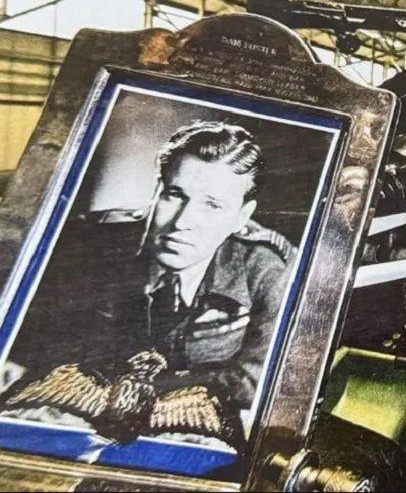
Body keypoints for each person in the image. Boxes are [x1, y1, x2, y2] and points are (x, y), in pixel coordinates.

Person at [7, 121, 296, 412]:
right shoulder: (87, 246)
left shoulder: (267, 269)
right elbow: (30, 351)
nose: (182, 222)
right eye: (175, 195)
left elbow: (258, 383)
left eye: (212, 205)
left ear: (241, 217)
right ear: (156, 191)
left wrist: (146, 394)